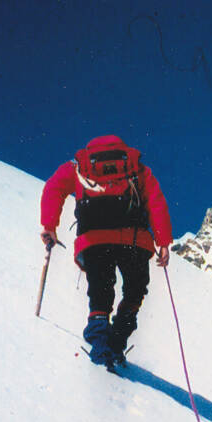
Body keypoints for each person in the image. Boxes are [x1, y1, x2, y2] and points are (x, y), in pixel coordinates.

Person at [40, 135, 172, 366]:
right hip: (134, 241)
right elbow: (155, 201)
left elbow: (54, 188)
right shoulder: (136, 168)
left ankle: (100, 341)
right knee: (134, 291)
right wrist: (163, 241)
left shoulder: (78, 166)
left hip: (94, 239)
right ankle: (118, 341)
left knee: (100, 288)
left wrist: (49, 226)